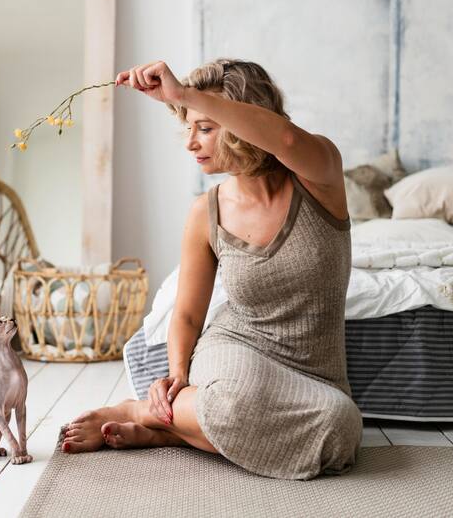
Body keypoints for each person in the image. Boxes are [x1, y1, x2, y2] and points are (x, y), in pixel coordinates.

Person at [58, 58, 363, 481]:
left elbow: (288, 139)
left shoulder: (320, 177)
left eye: (205, 127)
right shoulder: (206, 212)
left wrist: (183, 94)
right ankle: (152, 411)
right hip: (237, 349)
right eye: (188, 126)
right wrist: (179, 376)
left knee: (341, 428)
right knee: (235, 400)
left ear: (244, 123)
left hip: (316, 372)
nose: (190, 143)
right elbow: (186, 314)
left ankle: (170, 430)